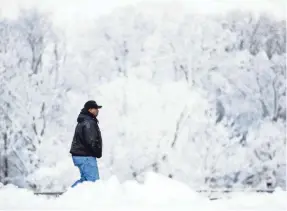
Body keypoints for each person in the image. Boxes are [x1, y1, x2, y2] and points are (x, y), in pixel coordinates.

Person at [70, 100, 103, 188]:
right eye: (95, 108)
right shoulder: (89, 122)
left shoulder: (84, 120)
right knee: (93, 182)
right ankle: (68, 196)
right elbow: (91, 141)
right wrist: (97, 152)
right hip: (85, 156)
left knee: (85, 181)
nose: (97, 110)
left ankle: (68, 195)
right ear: (90, 110)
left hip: (80, 155)